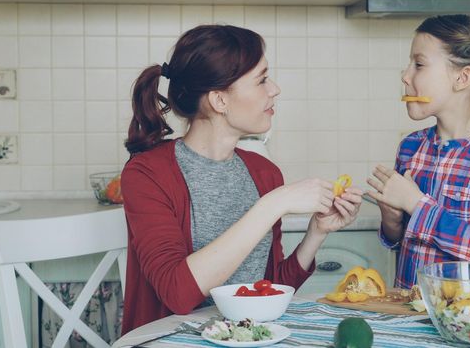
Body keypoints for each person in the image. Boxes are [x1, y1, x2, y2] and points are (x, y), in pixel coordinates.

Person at [120, 24, 363, 333]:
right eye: (261, 80)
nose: (274, 89)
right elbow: (176, 293)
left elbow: (270, 290)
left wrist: (316, 233)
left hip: (249, 337)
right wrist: (272, 205)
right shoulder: (147, 175)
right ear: (220, 101)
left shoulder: (264, 173)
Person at [366, 15, 470, 289]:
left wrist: (416, 204)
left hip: (469, 324)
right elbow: (399, 241)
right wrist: (392, 218)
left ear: (463, 77)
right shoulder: (411, 146)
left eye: (419, 64)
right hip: (408, 315)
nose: (405, 75)